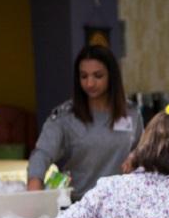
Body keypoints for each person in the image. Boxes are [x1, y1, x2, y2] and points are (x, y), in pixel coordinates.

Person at [27, 44, 143, 201]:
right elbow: (42, 154)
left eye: (98, 76)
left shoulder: (131, 113)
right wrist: (34, 192)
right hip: (77, 203)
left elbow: (142, 153)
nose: (90, 83)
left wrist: (135, 158)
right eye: (84, 76)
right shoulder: (65, 116)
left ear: (112, 76)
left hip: (119, 204)